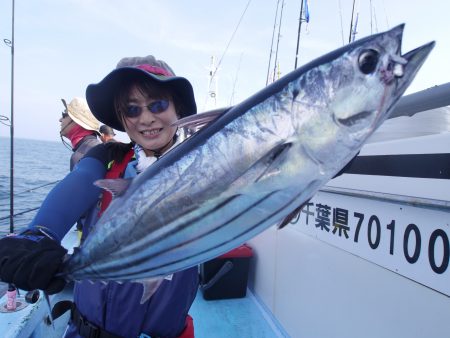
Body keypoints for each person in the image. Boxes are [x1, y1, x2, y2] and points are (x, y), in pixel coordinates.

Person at [0, 55, 199, 338]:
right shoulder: (106, 160)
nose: (146, 118)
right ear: (121, 118)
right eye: (131, 110)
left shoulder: (206, 165)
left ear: (178, 107)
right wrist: (34, 239)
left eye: (158, 104)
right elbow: (69, 194)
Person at [60, 97, 102, 171]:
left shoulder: (80, 156)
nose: (60, 119)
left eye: (64, 115)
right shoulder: (97, 146)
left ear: (76, 121)